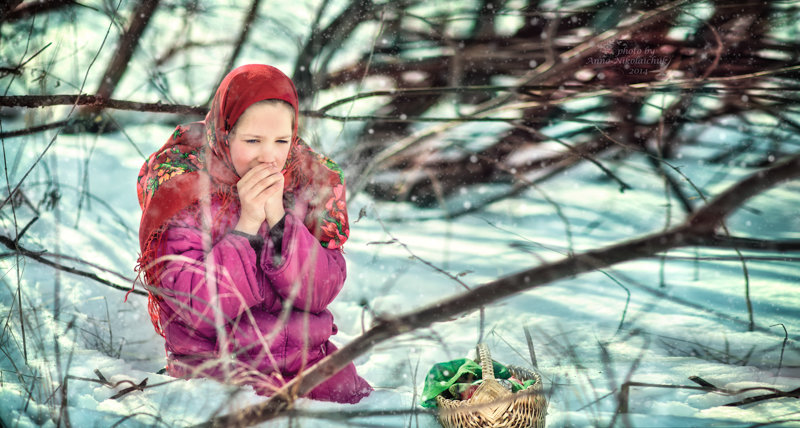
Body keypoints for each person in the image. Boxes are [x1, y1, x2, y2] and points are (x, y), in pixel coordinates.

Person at [135, 64, 372, 403]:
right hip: (219, 364)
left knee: (359, 401)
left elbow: (319, 291)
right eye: (252, 141)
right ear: (224, 133)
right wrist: (246, 225)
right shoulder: (187, 192)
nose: (269, 156)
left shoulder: (307, 185)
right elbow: (197, 310)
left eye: (281, 141)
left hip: (304, 360)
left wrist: (279, 220)